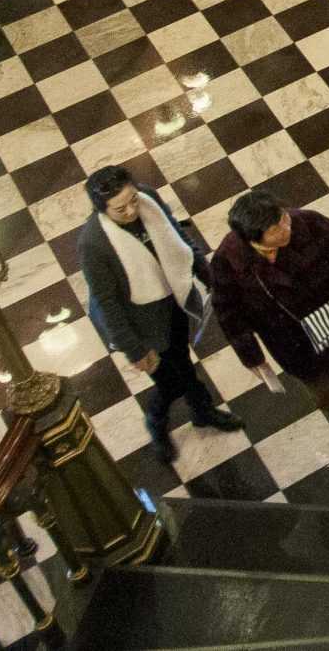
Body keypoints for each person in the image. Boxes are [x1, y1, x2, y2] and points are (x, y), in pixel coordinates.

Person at [207, 187, 329, 466]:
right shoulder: (228, 260)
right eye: (276, 227)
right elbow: (227, 310)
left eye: (283, 218)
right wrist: (251, 355)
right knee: (322, 393)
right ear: (255, 238)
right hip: (291, 343)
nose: (286, 225)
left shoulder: (309, 223)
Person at [78, 166, 243, 466]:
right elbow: (108, 303)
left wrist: (207, 275)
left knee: (183, 360)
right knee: (170, 383)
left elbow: (177, 240)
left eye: (133, 200)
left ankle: (202, 411)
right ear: (101, 209)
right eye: (120, 208)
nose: (130, 210)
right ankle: (156, 423)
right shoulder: (93, 244)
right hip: (140, 324)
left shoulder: (149, 199)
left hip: (172, 302)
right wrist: (135, 350)